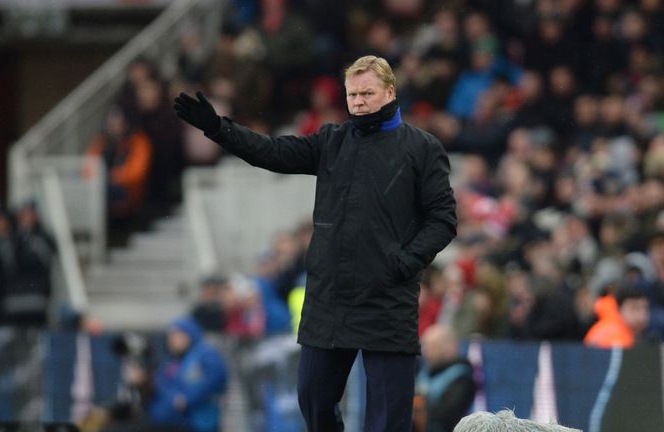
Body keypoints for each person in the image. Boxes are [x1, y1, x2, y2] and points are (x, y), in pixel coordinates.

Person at [174, 55, 458, 431]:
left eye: (367, 93)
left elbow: (444, 219)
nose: (357, 102)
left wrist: (405, 263)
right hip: (329, 298)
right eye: (352, 94)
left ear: (390, 92)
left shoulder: (422, 148)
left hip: (387, 299)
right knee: (312, 401)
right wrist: (218, 129)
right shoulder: (332, 141)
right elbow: (271, 153)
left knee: (390, 420)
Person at [148, 317, 228, 432]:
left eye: (176, 335)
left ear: (188, 335)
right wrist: (173, 397)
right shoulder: (174, 359)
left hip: (198, 421)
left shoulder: (205, 353)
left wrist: (187, 398)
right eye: (171, 336)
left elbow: (216, 377)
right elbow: (161, 381)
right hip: (168, 420)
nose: (171, 340)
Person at [414, 324, 476, 432]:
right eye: (425, 346)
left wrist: (418, 411)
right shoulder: (425, 373)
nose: (425, 352)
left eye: (432, 346)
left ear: (449, 347)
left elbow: (446, 416)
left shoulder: (462, 378)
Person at [584, 286, 650, 349]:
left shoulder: (636, 334)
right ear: (619, 309)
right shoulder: (613, 336)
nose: (641, 315)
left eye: (645, 308)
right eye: (634, 308)